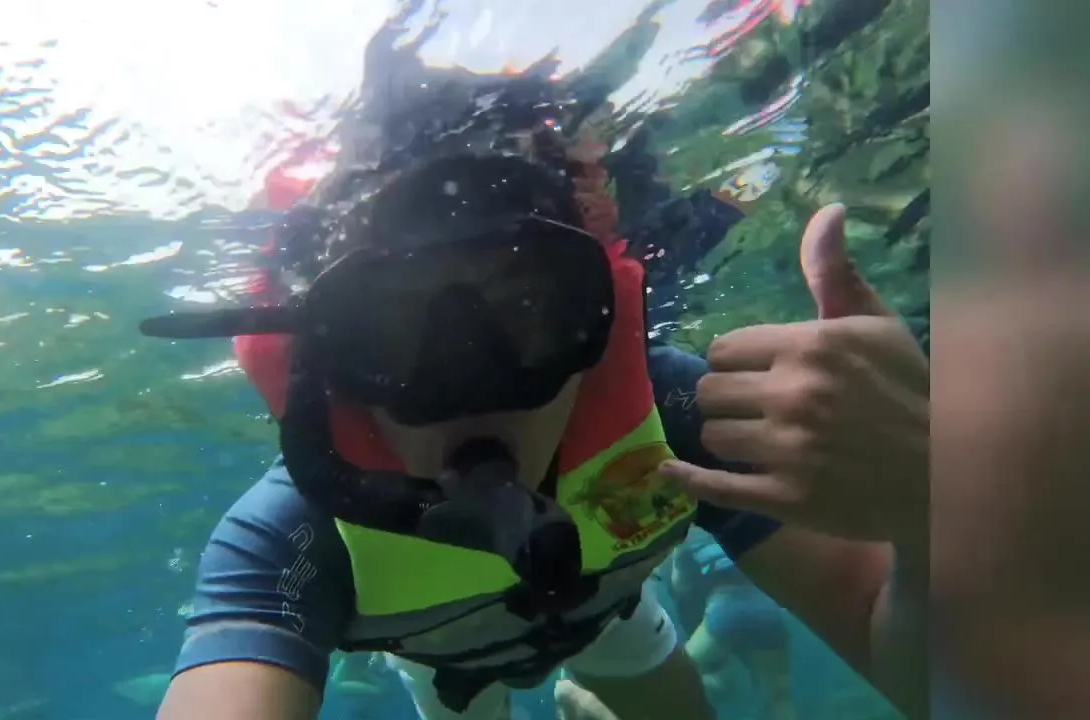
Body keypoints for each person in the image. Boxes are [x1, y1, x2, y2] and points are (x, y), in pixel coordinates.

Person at [142, 29, 928, 720]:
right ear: (331, 360)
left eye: (524, 310)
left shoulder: (685, 413)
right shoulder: (289, 540)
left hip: (610, 617)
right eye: (393, 332)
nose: (467, 384)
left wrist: (932, 518)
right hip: (442, 669)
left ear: (595, 314)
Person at [668, 532, 795, 720]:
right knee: (779, 696)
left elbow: (679, 584)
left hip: (725, 608)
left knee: (677, 677)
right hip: (766, 608)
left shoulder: (687, 535)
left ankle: (717, 683)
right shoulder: (748, 526)